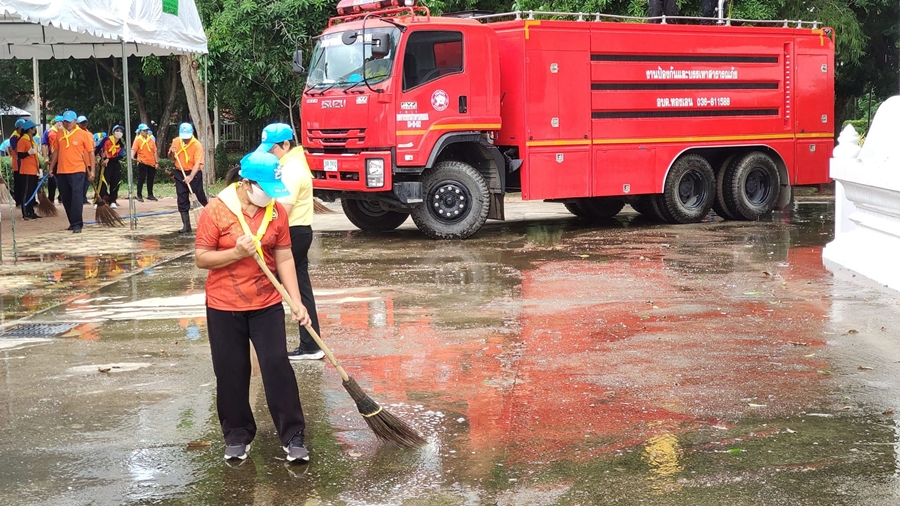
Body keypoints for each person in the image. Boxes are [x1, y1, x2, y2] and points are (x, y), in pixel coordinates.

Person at [194, 150, 312, 463]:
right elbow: (202, 258)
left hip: (266, 303)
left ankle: (293, 435)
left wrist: (296, 302)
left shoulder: (276, 212)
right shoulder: (217, 211)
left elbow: (284, 257)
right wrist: (235, 253)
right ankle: (237, 435)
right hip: (224, 305)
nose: (270, 196)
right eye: (266, 189)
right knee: (230, 370)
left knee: (277, 365)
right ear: (247, 183)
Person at [256, 123, 324, 361]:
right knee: (301, 288)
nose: (270, 153)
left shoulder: (292, 169)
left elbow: (283, 210)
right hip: (297, 232)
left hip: (291, 234)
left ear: (286, 144)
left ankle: (274, 345)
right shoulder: (288, 164)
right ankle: (311, 345)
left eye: (272, 149)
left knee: (270, 286)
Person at [49, 110, 95, 233]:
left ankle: (77, 224)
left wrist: (92, 171)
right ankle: (72, 221)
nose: (67, 124)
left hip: (78, 170)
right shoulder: (59, 134)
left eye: (69, 121)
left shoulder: (83, 134)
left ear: (75, 121)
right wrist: (51, 167)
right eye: (65, 121)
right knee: (66, 197)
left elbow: (91, 152)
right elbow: (56, 151)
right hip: (62, 170)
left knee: (76, 197)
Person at [169, 123, 209, 233]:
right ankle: (186, 226)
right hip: (180, 172)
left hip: (194, 173)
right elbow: (171, 158)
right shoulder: (176, 141)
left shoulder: (197, 145)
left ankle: (209, 220)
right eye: (183, 137)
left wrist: (191, 176)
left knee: (200, 197)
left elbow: (198, 163)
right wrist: (171, 153)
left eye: (187, 137)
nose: (185, 139)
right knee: (181, 198)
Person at [15, 120, 41, 221]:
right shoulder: (23, 140)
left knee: (32, 192)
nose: (35, 129)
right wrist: (28, 153)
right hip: (26, 171)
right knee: (26, 192)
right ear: (29, 129)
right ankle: (25, 213)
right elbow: (20, 155)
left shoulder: (31, 139)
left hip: (33, 170)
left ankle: (31, 211)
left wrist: (39, 168)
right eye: (33, 128)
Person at [98, 125, 126, 208]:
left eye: (121, 131)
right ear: (113, 132)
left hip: (115, 164)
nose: (119, 132)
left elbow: (120, 156)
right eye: (117, 131)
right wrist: (100, 159)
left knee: (115, 182)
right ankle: (100, 200)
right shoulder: (106, 140)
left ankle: (112, 200)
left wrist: (109, 159)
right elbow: (98, 148)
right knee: (103, 182)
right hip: (105, 164)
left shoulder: (121, 144)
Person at [131, 123, 158, 202]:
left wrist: (156, 162)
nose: (146, 132)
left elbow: (155, 151)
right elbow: (134, 149)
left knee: (151, 179)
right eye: (144, 130)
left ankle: (150, 194)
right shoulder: (137, 140)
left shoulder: (151, 140)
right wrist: (132, 156)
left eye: (147, 130)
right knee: (141, 179)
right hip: (142, 162)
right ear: (140, 131)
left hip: (151, 163)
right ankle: (139, 195)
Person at [42, 115, 63, 203]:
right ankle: (51, 198)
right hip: (52, 158)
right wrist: (45, 158)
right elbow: (44, 145)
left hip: (62, 158)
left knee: (62, 178)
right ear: (58, 122)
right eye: (63, 123)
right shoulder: (49, 132)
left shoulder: (64, 132)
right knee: (52, 178)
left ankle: (61, 197)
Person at [77, 115, 92, 205]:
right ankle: (79, 198)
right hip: (79, 162)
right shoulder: (76, 134)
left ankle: (83, 197)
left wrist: (94, 160)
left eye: (85, 122)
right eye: (82, 123)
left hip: (88, 161)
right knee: (80, 182)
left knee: (87, 181)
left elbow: (93, 149)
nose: (84, 124)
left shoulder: (90, 134)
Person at [9, 118, 24, 207]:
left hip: (22, 164)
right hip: (17, 164)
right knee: (18, 183)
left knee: (23, 183)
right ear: (19, 127)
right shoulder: (14, 137)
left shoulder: (21, 136)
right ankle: (18, 201)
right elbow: (16, 149)